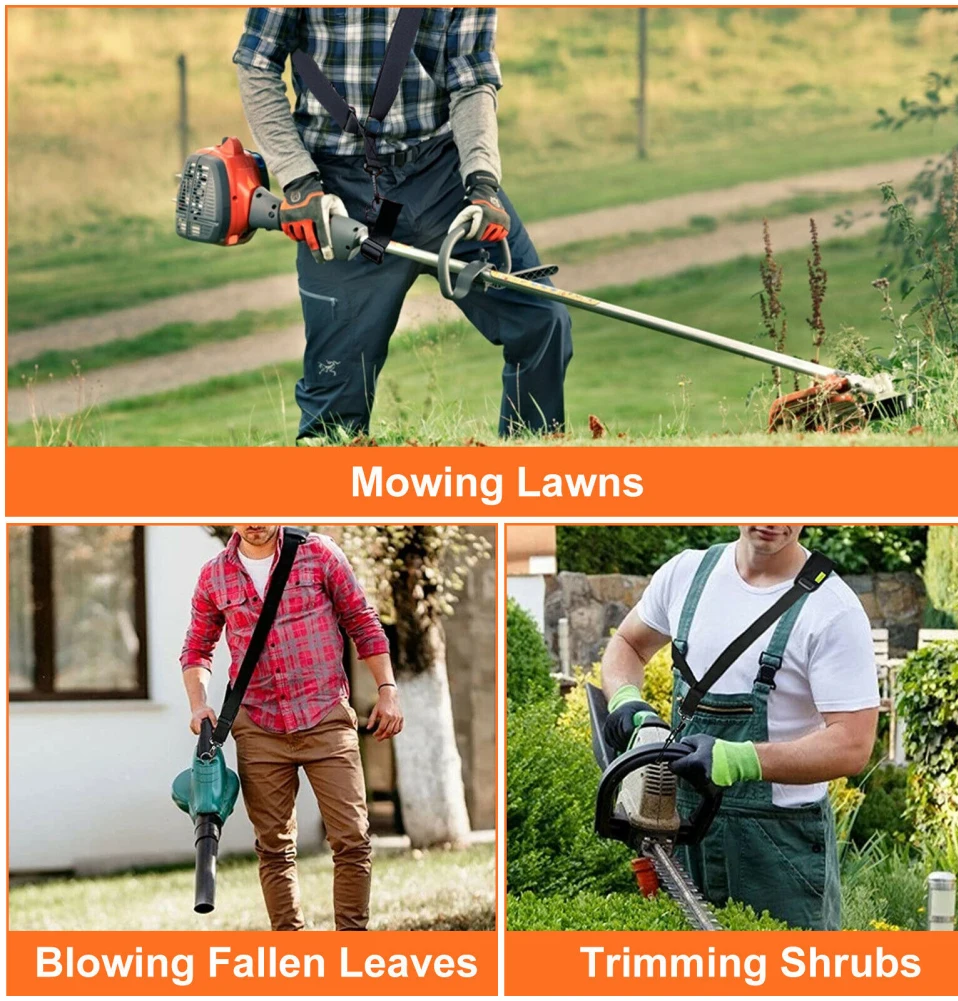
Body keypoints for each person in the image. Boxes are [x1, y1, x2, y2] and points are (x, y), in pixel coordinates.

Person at [233, 7, 572, 440]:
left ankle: (531, 472)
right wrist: (299, 181)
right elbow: (257, 63)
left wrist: (482, 181)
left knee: (541, 322)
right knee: (336, 398)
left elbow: (472, 78)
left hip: (443, 176)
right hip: (341, 187)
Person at [600, 525, 879, 930]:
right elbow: (627, 643)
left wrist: (741, 758)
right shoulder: (686, 575)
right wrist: (626, 699)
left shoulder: (833, 609)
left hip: (777, 851)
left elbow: (853, 745)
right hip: (681, 831)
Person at [180, 524, 403, 931]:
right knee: (273, 848)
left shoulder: (319, 553)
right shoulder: (214, 575)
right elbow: (197, 647)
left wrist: (386, 688)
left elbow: (362, 621)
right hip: (258, 725)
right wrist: (199, 705)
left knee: (352, 839)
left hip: (325, 717)